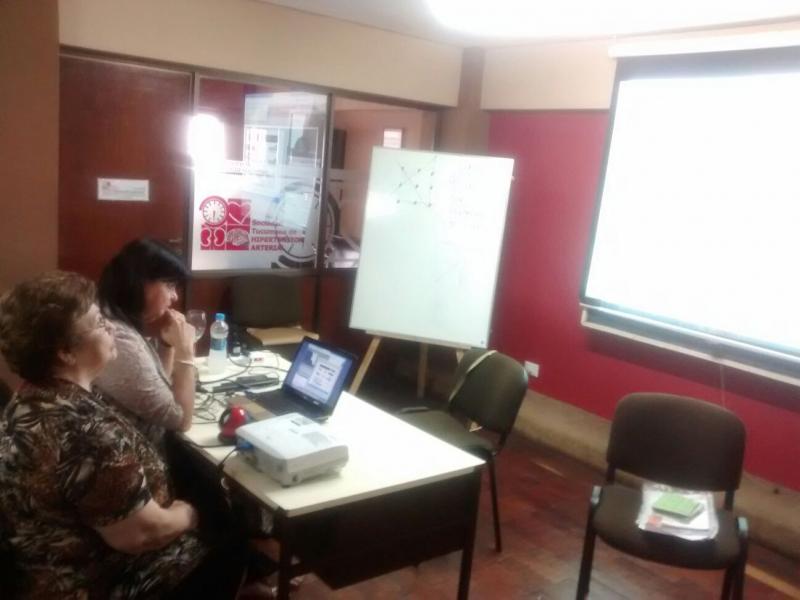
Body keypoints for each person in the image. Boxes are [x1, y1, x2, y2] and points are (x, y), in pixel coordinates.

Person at [0, 271, 245, 599]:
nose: (112, 328)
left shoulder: (30, 397)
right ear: (66, 352)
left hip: (41, 565)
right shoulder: (85, 432)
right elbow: (144, 535)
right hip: (100, 580)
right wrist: (191, 514)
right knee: (229, 535)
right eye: (99, 323)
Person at [95, 238, 197, 447]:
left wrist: (168, 345)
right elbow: (180, 420)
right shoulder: (118, 338)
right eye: (169, 285)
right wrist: (186, 354)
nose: (175, 296)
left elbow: (158, 387)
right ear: (140, 283)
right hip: (132, 457)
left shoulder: (113, 316)